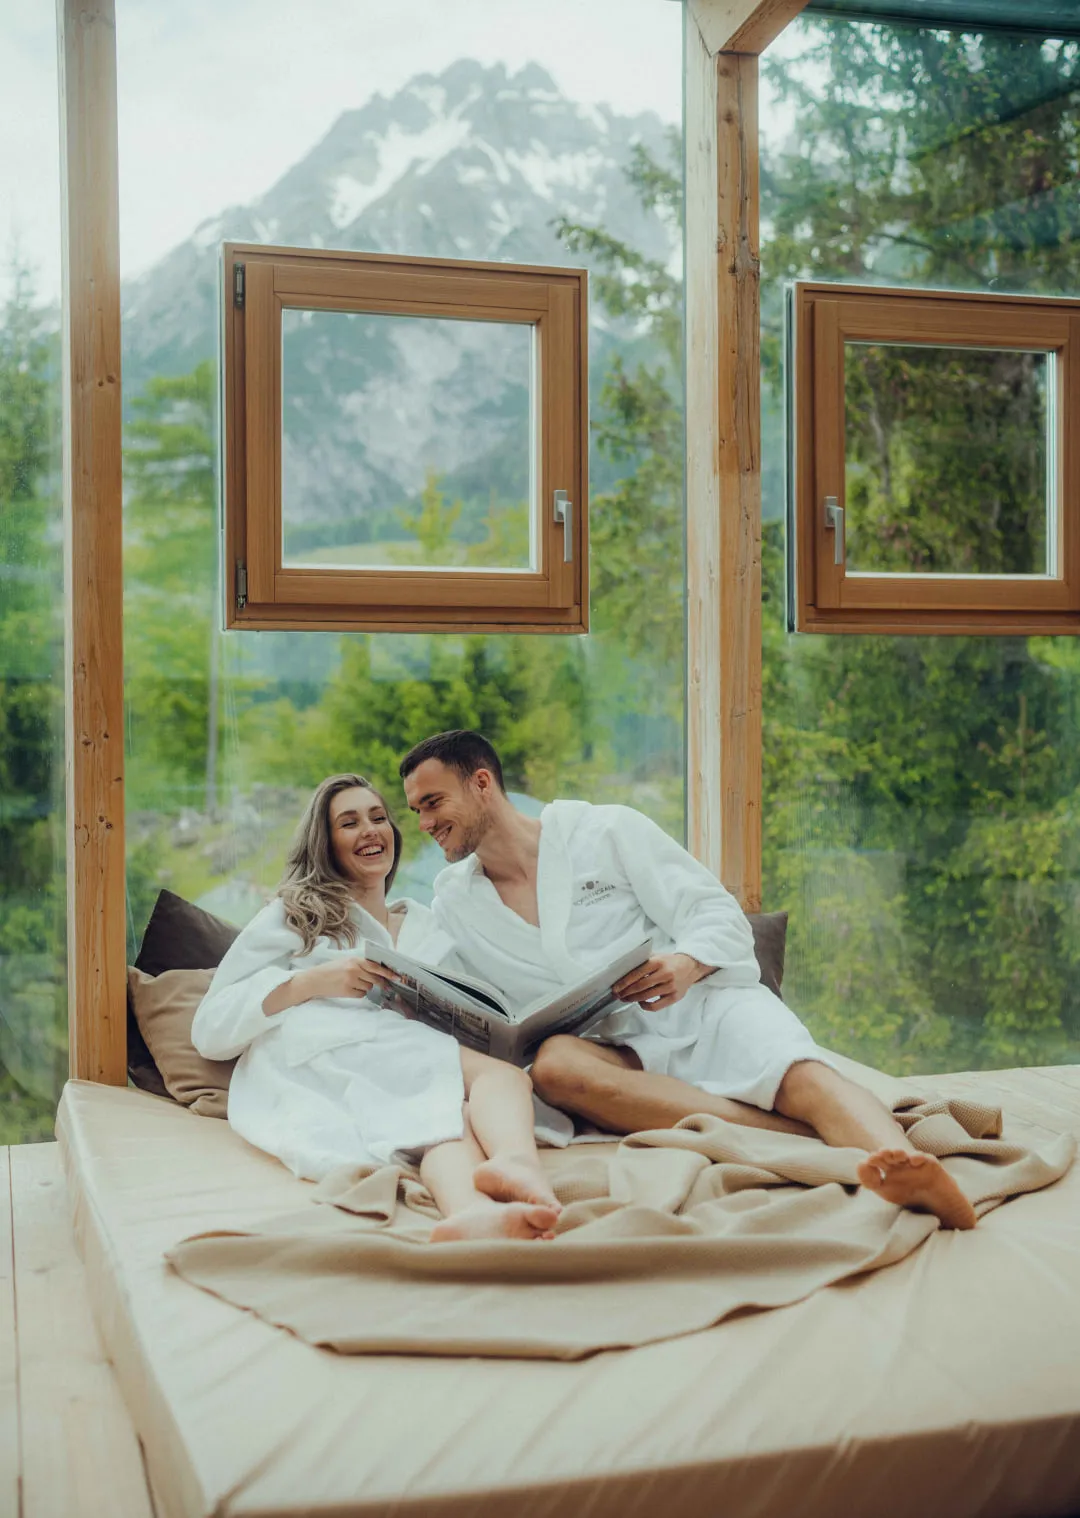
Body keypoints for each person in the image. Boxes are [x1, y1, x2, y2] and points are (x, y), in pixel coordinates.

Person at [400, 731, 978, 1231]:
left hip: (698, 1006)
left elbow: (714, 912)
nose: (425, 824)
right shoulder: (455, 901)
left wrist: (686, 964)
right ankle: (808, 1136)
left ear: (481, 783)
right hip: (611, 1049)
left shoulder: (604, 831)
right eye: (416, 812)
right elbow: (458, 989)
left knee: (800, 1074)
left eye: (432, 803)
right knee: (553, 1067)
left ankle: (908, 1168)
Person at [191, 773, 561, 1242]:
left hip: (407, 1054)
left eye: (378, 818)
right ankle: (517, 1163)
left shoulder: (426, 923)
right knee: (499, 1079)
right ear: (325, 843)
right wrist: (313, 981)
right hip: (332, 1052)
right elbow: (210, 1027)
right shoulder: (296, 915)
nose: (370, 830)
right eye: (349, 822)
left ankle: (469, 1212)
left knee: (451, 1118)